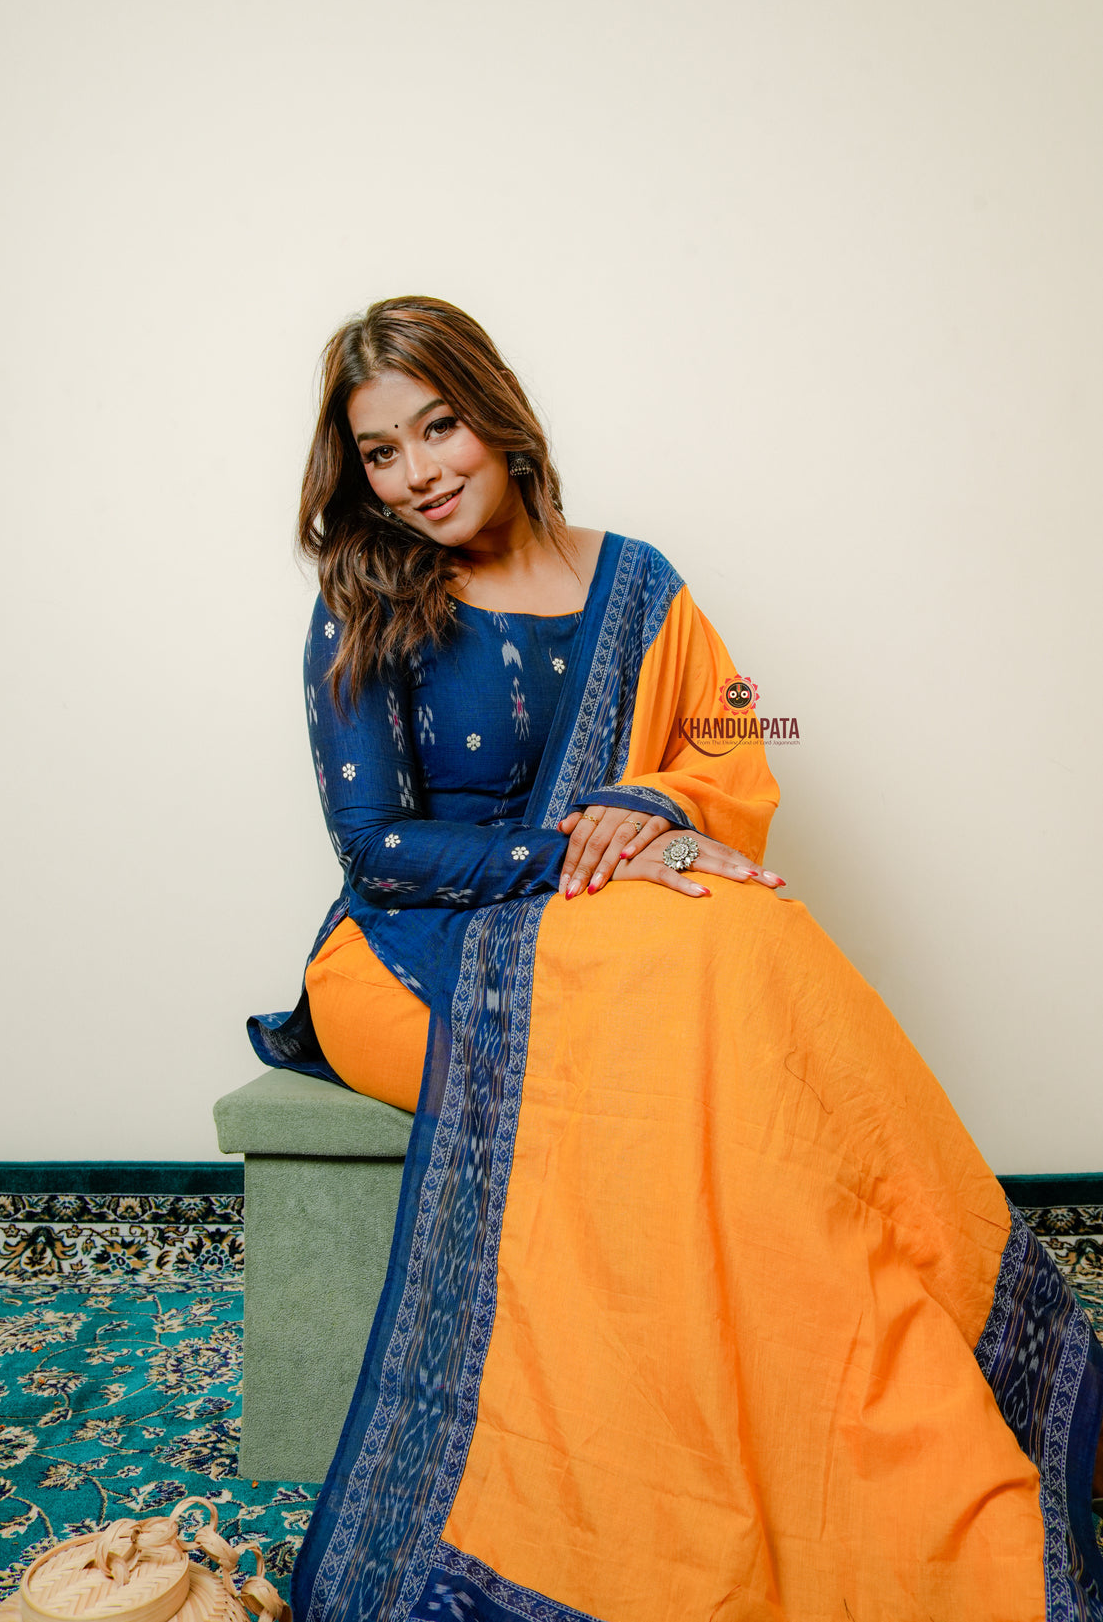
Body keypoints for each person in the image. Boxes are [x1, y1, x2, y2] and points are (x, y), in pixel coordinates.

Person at [248, 296, 1103, 1622]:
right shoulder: (365, 598)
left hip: (606, 925)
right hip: (408, 956)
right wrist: (581, 853)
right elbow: (376, 849)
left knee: (742, 933)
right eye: (379, 452)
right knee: (685, 963)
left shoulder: (639, 582)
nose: (417, 471)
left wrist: (651, 807)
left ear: (497, 413)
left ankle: (925, 1386)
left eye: (439, 426)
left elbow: (735, 734)